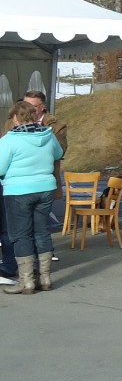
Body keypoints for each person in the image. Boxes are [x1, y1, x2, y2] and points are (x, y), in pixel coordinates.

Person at [0, 101, 65, 294]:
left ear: (16, 118)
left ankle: (26, 281)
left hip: (18, 191)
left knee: (21, 235)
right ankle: (45, 278)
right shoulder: (48, 136)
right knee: (41, 232)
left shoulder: (9, 140)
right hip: (45, 189)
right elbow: (58, 153)